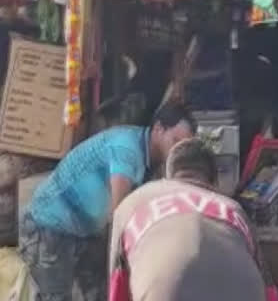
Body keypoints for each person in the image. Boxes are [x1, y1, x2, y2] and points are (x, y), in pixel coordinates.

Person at [19, 102, 197, 301]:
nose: (176, 149)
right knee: (55, 296)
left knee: (100, 292)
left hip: (84, 231)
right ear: (158, 129)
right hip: (49, 226)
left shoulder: (152, 158)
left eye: (182, 146)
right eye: (175, 140)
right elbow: (119, 214)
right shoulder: (127, 149)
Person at [109, 138, 266, 301]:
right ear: (214, 183)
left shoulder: (133, 203)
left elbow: (117, 289)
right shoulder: (234, 210)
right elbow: (270, 293)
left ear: (167, 178)